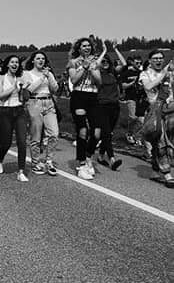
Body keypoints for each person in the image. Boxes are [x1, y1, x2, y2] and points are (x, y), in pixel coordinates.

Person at [67, 38, 105, 180]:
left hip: (93, 97)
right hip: (79, 97)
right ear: (79, 48)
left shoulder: (95, 63)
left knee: (97, 133)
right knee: (83, 130)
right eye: (84, 46)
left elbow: (99, 82)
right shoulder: (73, 62)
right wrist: (83, 67)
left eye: (89, 45)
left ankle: (88, 155)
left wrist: (92, 68)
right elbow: (74, 80)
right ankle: (82, 164)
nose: (87, 48)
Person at [138, 50, 174, 187]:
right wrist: (163, 75)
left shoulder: (170, 73)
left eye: (161, 58)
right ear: (150, 60)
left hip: (171, 110)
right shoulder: (145, 74)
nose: (158, 60)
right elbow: (148, 86)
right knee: (160, 141)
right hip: (156, 111)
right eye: (155, 58)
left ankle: (155, 169)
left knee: (166, 141)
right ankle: (167, 173)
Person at [23, 51, 60, 176]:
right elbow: (29, 89)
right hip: (34, 102)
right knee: (36, 135)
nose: (41, 60)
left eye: (43, 59)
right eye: (38, 58)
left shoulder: (48, 73)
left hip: (49, 102)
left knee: (54, 133)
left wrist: (49, 76)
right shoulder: (27, 74)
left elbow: (55, 89)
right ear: (33, 60)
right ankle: (35, 162)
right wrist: (42, 78)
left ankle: (49, 160)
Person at [0, 55, 29, 182]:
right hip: (6, 111)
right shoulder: (0, 77)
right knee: (6, 142)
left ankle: (21, 171)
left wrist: (25, 89)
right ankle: (0, 158)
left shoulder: (21, 77)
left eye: (17, 62)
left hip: (19, 110)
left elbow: (25, 97)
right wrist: (14, 87)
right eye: (12, 62)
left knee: (22, 141)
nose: (15, 64)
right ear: (7, 64)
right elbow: (0, 95)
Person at [96, 46, 126, 171]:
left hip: (115, 106)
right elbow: (96, 64)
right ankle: (112, 158)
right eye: (103, 61)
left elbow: (124, 64)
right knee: (107, 132)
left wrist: (115, 49)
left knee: (108, 133)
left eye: (107, 61)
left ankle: (101, 155)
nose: (105, 63)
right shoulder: (97, 74)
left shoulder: (113, 73)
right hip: (102, 106)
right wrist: (103, 52)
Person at [119, 54, 144, 144]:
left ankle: (137, 136)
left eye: (140, 63)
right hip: (130, 98)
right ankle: (129, 133)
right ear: (132, 62)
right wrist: (132, 83)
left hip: (140, 98)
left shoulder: (142, 73)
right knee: (133, 117)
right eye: (137, 63)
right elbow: (123, 86)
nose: (139, 64)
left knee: (141, 120)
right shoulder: (126, 73)